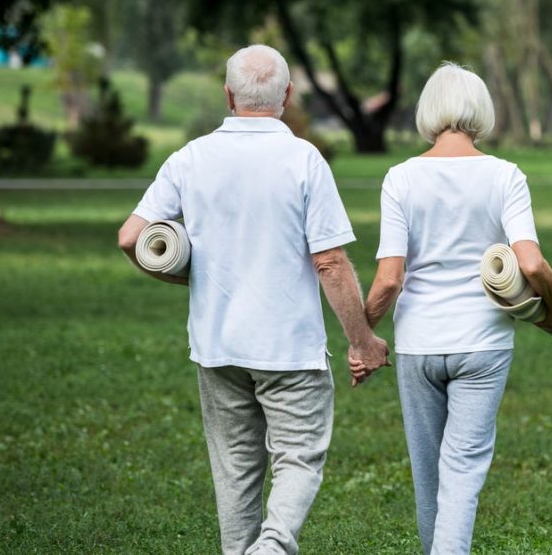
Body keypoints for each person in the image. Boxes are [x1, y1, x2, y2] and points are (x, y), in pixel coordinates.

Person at [117, 44, 390, 555]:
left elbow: (131, 237)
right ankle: (274, 546)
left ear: (229, 95)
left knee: (235, 474)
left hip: (217, 346)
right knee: (299, 460)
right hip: (289, 350)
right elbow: (329, 262)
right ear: (287, 95)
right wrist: (363, 341)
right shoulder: (304, 160)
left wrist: (181, 278)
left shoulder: (190, 158)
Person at [361, 62, 552, 555]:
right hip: (484, 342)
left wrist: (360, 333)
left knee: (429, 473)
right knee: (463, 470)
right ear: (482, 109)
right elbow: (532, 263)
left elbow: (389, 278)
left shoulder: (401, 178)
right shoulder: (505, 176)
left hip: (418, 344)